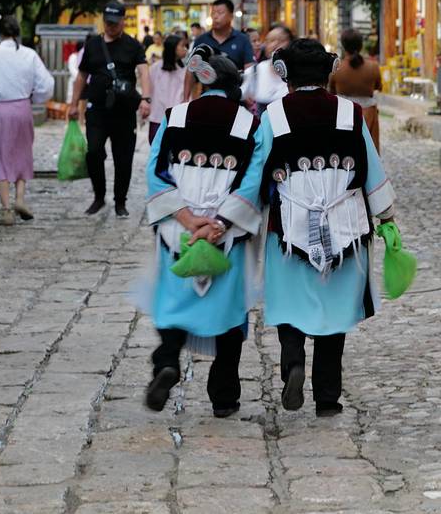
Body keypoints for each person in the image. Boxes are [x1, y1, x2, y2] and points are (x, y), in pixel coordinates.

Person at [260, 38, 395, 417]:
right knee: (335, 314)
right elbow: (372, 169)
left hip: (288, 229)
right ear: (326, 74)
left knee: (290, 304)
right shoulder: (350, 114)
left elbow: (255, 175)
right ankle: (327, 399)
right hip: (345, 229)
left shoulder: (273, 117)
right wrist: (386, 218)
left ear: (287, 76)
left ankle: (292, 361)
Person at [143, 45, 267, 417]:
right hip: (224, 233)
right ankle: (224, 394)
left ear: (200, 81)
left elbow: (155, 170)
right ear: (234, 86)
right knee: (230, 315)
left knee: (174, 305)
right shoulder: (250, 125)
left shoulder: (175, 117)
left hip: (177, 231)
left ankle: (167, 360)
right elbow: (253, 178)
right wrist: (220, 222)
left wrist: (184, 217)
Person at [0, 15, 54, 226]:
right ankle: (20, 198)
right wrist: (35, 97)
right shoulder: (29, 55)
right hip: (22, 107)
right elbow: (47, 84)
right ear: (17, 33)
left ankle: (6, 209)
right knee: (23, 152)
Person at [67, 2, 151, 217]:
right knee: (93, 152)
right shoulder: (93, 45)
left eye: (115, 23)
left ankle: (120, 202)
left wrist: (146, 99)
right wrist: (74, 103)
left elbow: (144, 72)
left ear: (123, 21)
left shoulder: (133, 45)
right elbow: (81, 76)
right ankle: (99, 196)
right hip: (97, 110)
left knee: (123, 158)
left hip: (123, 111)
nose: (111, 27)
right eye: (107, 23)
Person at [184, 0, 254, 99]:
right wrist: (185, 98)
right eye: (213, 13)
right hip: (207, 98)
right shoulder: (201, 40)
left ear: (231, 16)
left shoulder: (242, 39)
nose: (215, 16)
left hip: (235, 98)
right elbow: (190, 70)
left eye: (220, 13)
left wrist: (246, 94)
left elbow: (249, 69)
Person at [330, 28, 383, 153]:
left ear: (343, 46)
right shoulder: (373, 66)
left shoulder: (336, 68)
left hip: (343, 114)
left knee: (344, 151)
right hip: (368, 114)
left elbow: (331, 91)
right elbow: (378, 87)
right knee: (369, 152)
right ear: (361, 45)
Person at [242, 23, 292, 115]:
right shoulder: (255, 72)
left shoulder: (297, 73)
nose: (276, 44)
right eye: (271, 40)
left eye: (281, 40)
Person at [148, 34, 187, 144]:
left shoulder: (184, 70)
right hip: (157, 117)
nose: (185, 49)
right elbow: (148, 90)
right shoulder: (155, 68)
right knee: (156, 148)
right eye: (182, 46)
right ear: (173, 48)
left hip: (177, 118)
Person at [66, 39, 85, 104]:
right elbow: (72, 69)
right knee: (72, 101)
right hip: (74, 81)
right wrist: (81, 77)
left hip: (83, 83)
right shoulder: (73, 56)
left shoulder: (85, 57)